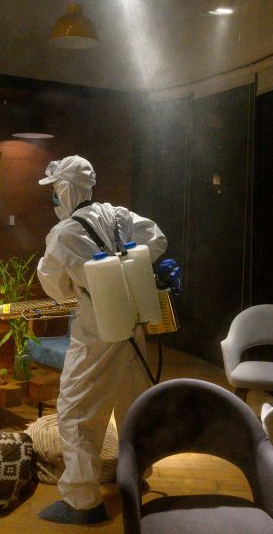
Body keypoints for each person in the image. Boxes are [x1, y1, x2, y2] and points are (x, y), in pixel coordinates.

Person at [35, 155, 167, 524]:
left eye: (55, 193)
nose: (54, 201)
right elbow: (157, 238)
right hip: (133, 322)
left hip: (96, 329)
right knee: (133, 404)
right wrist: (128, 263)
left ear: (65, 189)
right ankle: (134, 480)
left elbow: (55, 285)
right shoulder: (120, 215)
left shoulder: (63, 234)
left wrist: (89, 277)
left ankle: (82, 502)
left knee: (78, 411)